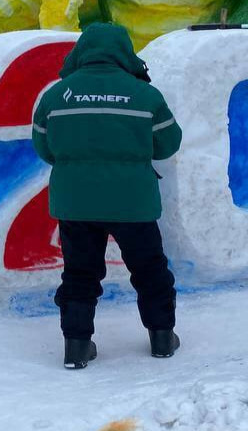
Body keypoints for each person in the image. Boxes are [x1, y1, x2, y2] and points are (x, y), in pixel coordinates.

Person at [30, 23, 183, 370]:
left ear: (82, 52)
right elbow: (168, 144)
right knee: (149, 270)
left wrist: (77, 165)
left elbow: (44, 147)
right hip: (134, 202)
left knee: (80, 274)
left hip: (75, 202)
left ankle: (77, 346)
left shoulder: (56, 96)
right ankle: (162, 337)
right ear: (125, 52)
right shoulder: (146, 95)